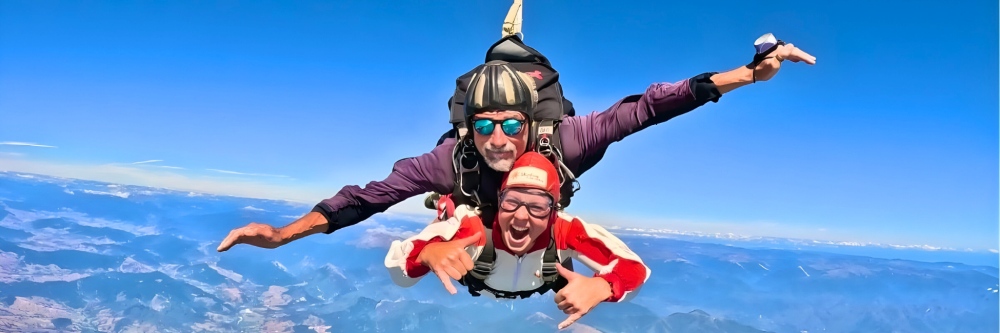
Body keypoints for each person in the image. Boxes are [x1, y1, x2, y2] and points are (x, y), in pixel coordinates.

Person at [215, 6, 817, 253]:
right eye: (484, 126)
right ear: (465, 127)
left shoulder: (570, 139)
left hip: (541, 183)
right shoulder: (448, 160)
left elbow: (651, 105)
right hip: (470, 195)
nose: (498, 139)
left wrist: (748, 74)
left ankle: (513, 41)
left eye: (510, 124)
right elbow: (361, 201)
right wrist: (281, 234)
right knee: (455, 205)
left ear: (533, 119)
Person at [385, 152, 649, 329]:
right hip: (466, 227)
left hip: (499, 279)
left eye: (537, 206)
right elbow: (398, 269)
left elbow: (634, 268)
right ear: (499, 200)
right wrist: (427, 254)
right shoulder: (473, 229)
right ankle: (442, 201)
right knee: (451, 207)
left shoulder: (565, 230)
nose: (521, 216)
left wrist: (604, 286)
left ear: (554, 210)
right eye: (512, 201)